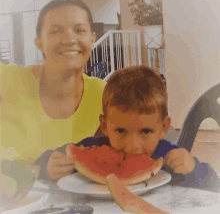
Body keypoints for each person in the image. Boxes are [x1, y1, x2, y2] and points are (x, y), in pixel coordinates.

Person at [48, 66, 220, 192]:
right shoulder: (90, 147)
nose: (132, 146)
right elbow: (47, 162)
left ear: (163, 127)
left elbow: (214, 185)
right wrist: (48, 165)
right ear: (104, 125)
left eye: (145, 131)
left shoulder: (169, 156)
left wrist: (193, 169)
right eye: (121, 131)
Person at [0, 0, 106, 178]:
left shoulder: (105, 95)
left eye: (79, 30)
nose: (69, 39)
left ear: (92, 39)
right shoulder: (8, 79)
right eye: (55, 31)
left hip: (78, 204)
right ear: (40, 43)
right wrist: (39, 170)